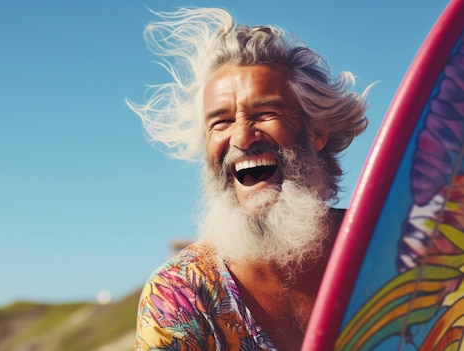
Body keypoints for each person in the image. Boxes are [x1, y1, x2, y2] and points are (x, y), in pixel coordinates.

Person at [126, 7, 371, 351]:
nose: (242, 137)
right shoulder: (181, 293)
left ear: (316, 132)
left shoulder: (387, 247)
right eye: (221, 122)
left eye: (265, 113)